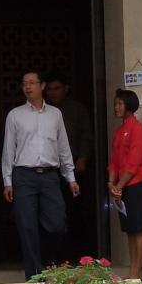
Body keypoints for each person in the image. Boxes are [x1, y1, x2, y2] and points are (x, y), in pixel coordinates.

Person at [2, 70, 79, 281]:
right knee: (27, 226)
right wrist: (7, 180)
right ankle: (34, 276)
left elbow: (63, 147)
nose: (28, 87)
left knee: (57, 224)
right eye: (24, 83)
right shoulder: (15, 115)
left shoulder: (55, 114)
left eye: (32, 83)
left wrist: (70, 177)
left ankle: (48, 261)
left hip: (49, 176)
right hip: (23, 175)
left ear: (42, 85)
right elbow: (8, 149)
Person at [44, 73, 94, 260]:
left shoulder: (77, 109)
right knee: (52, 213)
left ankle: (77, 254)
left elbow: (86, 135)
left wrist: (83, 157)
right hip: (49, 169)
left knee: (73, 211)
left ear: (66, 89)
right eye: (50, 89)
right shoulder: (43, 110)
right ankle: (54, 255)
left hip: (73, 167)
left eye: (57, 88)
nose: (53, 93)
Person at [108, 88, 142, 281]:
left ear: (129, 105)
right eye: (115, 104)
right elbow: (114, 161)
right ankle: (133, 271)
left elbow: (133, 163)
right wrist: (111, 182)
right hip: (122, 186)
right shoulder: (119, 132)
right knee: (130, 230)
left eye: (120, 104)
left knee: (139, 229)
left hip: (135, 184)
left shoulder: (137, 129)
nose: (116, 107)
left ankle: (136, 272)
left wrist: (119, 185)